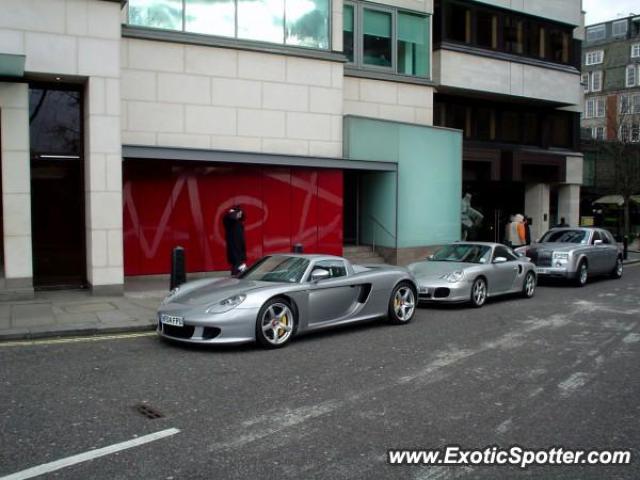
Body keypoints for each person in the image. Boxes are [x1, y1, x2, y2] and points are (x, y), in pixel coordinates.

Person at [222, 205, 247, 276]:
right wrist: (233, 212)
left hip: (239, 249)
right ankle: (235, 278)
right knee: (237, 266)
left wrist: (239, 212)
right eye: (238, 213)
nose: (240, 215)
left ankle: (237, 277)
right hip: (234, 248)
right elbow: (231, 217)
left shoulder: (238, 222)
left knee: (239, 266)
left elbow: (243, 217)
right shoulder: (229, 221)